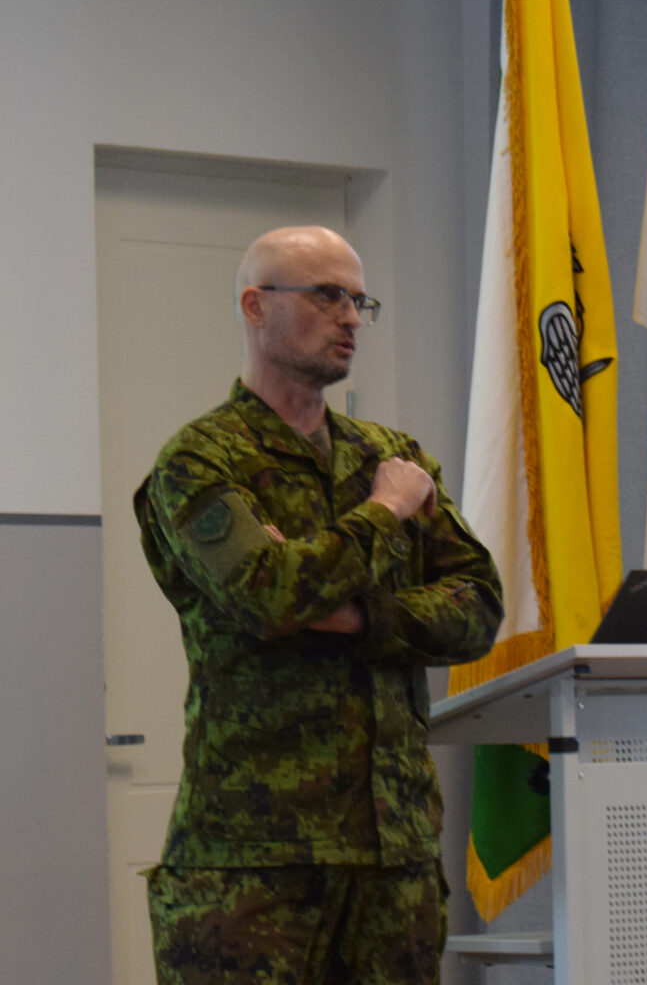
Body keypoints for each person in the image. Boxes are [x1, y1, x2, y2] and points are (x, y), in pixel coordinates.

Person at [134, 225, 503, 984]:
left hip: (392, 853)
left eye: (360, 301)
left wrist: (361, 616)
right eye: (328, 296)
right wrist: (385, 514)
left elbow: (479, 607)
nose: (351, 319)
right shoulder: (200, 460)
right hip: (252, 862)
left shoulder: (393, 457)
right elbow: (270, 594)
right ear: (255, 306)